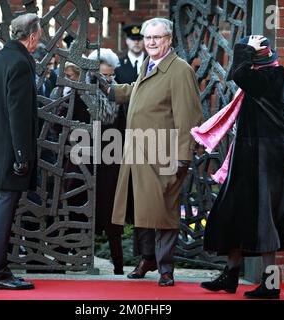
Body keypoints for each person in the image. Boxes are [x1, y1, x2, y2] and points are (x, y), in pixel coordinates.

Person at [105, 17, 203, 286]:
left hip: (165, 154)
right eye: (148, 38)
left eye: (156, 38)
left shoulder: (180, 70)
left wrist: (184, 155)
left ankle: (165, 268)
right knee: (142, 211)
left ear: (169, 40)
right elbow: (140, 91)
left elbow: (190, 116)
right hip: (138, 152)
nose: (150, 42)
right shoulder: (150, 65)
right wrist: (111, 90)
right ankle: (147, 258)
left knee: (164, 212)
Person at [194, 35, 284, 299]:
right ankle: (230, 275)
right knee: (233, 213)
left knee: (265, 221)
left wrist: (242, 48)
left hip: (266, 162)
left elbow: (238, 73)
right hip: (248, 159)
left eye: (249, 54)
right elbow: (241, 74)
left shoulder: (272, 76)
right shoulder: (258, 79)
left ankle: (271, 285)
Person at [0, 13, 42, 290]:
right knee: (3, 208)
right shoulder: (20, 62)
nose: (40, 40)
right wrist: (21, 155)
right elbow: (18, 114)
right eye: (39, 35)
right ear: (31, 36)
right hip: (9, 152)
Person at [87, 48, 126, 275]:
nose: (107, 80)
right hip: (83, 158)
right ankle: (74, 259)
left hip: (111, 159)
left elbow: (123, 127)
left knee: (113, 213)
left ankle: (118, 263)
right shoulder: (82, 92)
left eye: (111, 76)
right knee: (81, 209)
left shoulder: (118, 94)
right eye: (103, 76)